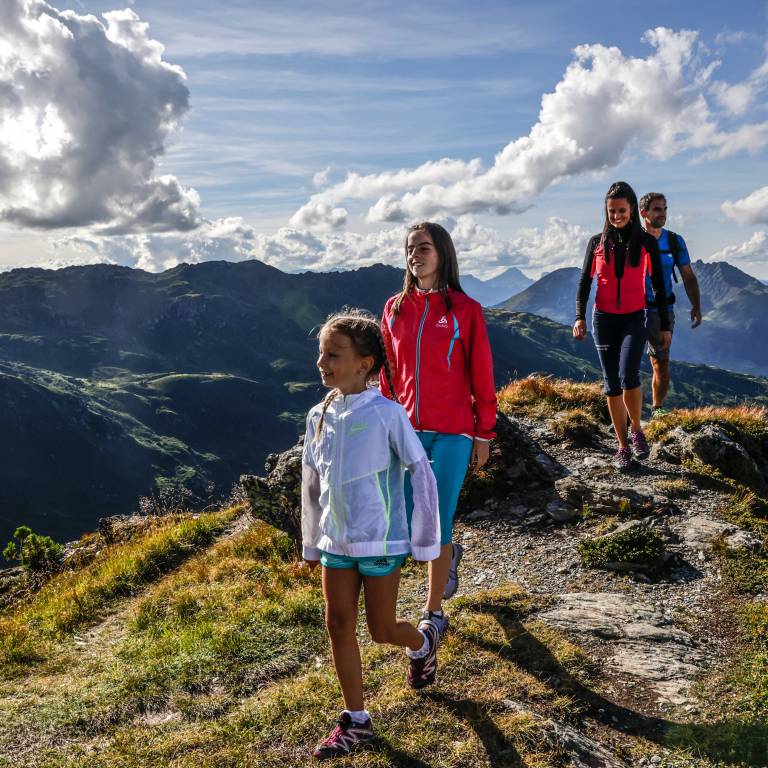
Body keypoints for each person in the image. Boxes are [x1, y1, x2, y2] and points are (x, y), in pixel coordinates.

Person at [302, 309, 442, 760]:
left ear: (364, 363)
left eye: (333, 354)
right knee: (338, 625)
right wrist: (311, 541)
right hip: (335, 543)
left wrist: (424, 541)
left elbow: (421, 472)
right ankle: (356, 720)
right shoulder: (317, 416)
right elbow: (310, 481)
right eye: (321, 353)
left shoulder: (387, 414)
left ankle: (421, 643)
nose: (322, 362)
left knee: (382, 630)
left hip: (381, 542)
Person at [380, 221, 496, 638]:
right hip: (408, 430)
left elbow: (482, 373)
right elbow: (387, 373)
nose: (415, 255)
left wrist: (484, 432)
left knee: (438, 520)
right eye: (410, 248)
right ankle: (449, 560)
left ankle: (433, 614)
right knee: (410, 520)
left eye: (424, 248)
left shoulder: (466, 310)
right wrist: (388, 420)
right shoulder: (394, 309)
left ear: (442, 254)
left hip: (454, 432)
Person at [573, 181, 670, 471]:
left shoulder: (646, 243)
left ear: (632, 211)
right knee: (611, 382)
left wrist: (664, 326)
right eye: (612, 211)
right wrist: (579, 317)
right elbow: (584, 283)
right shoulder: (596, 243)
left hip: (633, 317)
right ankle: (622, 446)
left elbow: (660, 288)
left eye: (622, 210)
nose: (616, 216)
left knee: (628, 373)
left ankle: (637, 431)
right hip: (603, 318)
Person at [639, 192, 702, 418]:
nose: (663, 214)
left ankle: (657, 410)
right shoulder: (632, 239)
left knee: (661, 366)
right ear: (643, 212)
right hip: (632, 310)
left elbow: (688, 276)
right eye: (657, 209)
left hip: (662, 311)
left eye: (665, 209)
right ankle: (626, 414)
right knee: (625, 362)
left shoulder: (675, 241)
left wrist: (696, 305)